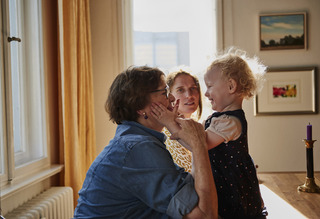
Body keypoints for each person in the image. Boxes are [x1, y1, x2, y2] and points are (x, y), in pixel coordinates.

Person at [73, 66, 218, 219]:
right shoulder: (139, 148)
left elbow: (191, 194)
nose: (172, 99)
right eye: (164, 93)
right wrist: (198, 145)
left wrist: (196, 145)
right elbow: (205, 215)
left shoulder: (135, 140)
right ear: (140, 107)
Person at [151, 48, 268, 218]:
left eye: (210, 86)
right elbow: (194, 140)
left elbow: (199, 144)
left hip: (230, 187)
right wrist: (173, 120)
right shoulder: (219, 119)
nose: (205, 93)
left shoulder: (229, 122)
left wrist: (170, 123)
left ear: (231, 86)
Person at [163, 69, 203, 172]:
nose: (189, 95)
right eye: (180, 90)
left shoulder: (200, 126)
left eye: (193, 88)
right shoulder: (167, 133)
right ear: (170, 96)